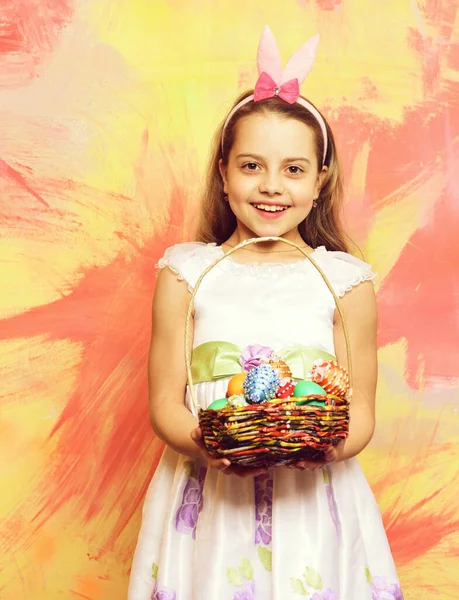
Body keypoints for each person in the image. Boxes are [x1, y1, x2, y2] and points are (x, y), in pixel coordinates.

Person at [128, 26, 403, 600]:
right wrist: (220, 448)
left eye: (294, 169)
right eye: (251, 166)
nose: (271, 186)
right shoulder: (186, 271)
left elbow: (363, 413)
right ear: (223, 172)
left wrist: (313, 447)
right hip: (211, 501)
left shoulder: (346, 280)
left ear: (321, 179)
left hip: (316, 503)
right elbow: (162, 403)